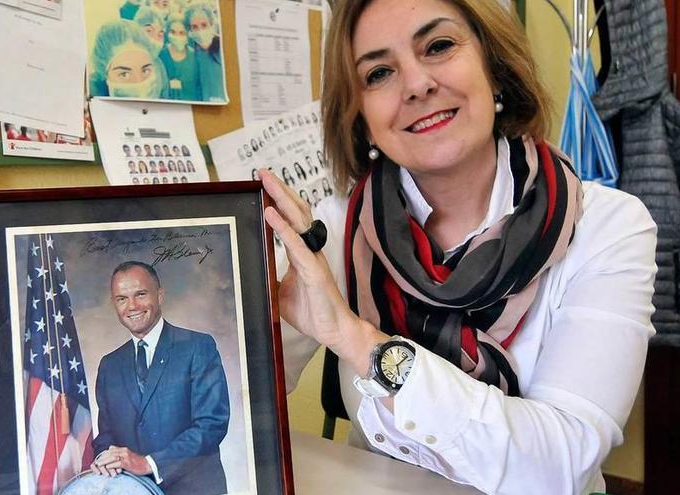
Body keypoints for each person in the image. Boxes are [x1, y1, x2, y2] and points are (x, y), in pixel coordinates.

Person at [257, 1, 657, 494]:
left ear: (495, 70)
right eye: (379, 72)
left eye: (439, 46)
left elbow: (560, 465)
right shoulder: (335, 227)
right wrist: (222, 270)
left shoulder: (607, 226)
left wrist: (356, 338)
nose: (416, 84)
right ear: (360, 115)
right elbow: (237, 393)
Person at [91, 262, 230, 495]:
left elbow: (211, 424)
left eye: (140, 294)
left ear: (160, 295)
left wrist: (150, 463)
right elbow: (106, 434)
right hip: (132, 490)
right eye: (121, 298)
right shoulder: (109, 365)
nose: (132, 306)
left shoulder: (197, 347)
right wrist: (105, 457)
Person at [89, 20, 168, 99]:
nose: (139, 82)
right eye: (124, 74)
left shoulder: (159, 70)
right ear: (106, 75)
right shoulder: (91, 93)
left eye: (145, 71)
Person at [185, 3, 225, 102]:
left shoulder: (223, 48)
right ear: (190, 30)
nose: (200, 31)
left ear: (212, 24)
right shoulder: (192, 52)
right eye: (194, 27)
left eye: (204, 25)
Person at [159, 16, 203, 101]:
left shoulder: (195, 57)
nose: (177, 36)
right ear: (167, 32)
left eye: (182, 33)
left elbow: (199, 88)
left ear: (188, 34)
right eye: (173, 32)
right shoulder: (161, 56)